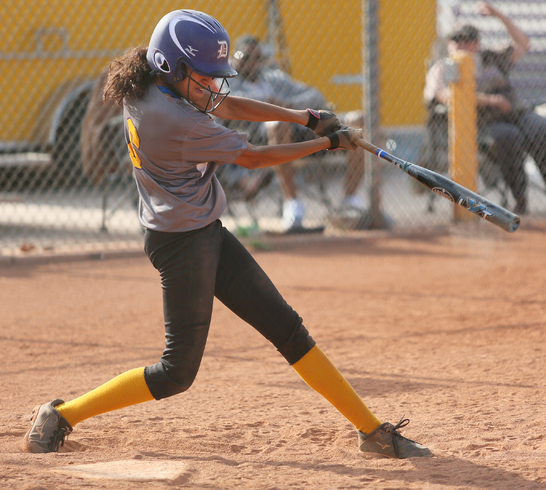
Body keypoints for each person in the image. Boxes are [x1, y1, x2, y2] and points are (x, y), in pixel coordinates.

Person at [23, 9, 432, 460]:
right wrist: (327, 144)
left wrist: (306, 116)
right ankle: (61, 415)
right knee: (176, 373)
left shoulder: (151, 81)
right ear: (173, 68)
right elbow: (254, 158)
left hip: (204, 232)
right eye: (203, 78)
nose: (212, 86)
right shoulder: (176, 121)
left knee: (289, 330)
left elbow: (226, 104)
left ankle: (372, 431)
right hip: (180, 245)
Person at [423, 1, 546, 216]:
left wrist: (499, 15)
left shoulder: (490, 58)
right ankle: (520, 200)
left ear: (477, 43)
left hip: (516, 113)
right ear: (450, 43)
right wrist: (490, 100)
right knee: (507, 138)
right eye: (457, 39)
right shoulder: (443, 68)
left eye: (469, 39)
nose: (463, 44)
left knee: (543, 130)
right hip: (484, 123)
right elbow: (443, 96)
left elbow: (523, 43)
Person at [221, 35, 367, 233]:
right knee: (278, 125)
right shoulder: (228, 80)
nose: (253, 62)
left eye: (257, 57)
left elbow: (314, 94)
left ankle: (349, 202)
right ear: (234, 58)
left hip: (300, 131)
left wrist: (288, 106)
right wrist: (272, 105)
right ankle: (293, 206)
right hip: (261, 138)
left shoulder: (273, 77)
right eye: (246, 57)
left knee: (357, 121)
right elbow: (233, 102)